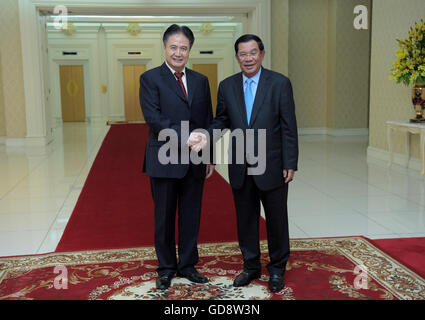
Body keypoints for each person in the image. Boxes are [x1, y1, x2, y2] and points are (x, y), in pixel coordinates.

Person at [189, 34, 298, 293]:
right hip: (240, 165)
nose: (247, 58)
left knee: (276, 218)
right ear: (236, 57)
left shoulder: (280, 83)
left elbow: (288, 126)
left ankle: (277, 268)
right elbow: (221, 120)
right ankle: (250, 266)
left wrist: (290, 161)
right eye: (242, 54)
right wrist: (204, 137)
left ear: (261, 53)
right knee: (246, 218)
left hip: (271, 163)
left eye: (252, 53)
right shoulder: (227, 86)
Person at [140, 24, 215, 290]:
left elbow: (207, 120)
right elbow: (155, 120)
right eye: (173, 47)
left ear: (190, 50)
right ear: (164, 47)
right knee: (164, 216)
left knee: (191, 214)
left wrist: (208, 156)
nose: (178, 52)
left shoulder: (200, 81)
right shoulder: (150, 79)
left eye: (183, 48)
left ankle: (187, 265)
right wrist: (184, 138)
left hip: (195, 160)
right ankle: (166, 267)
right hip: (164, 158)